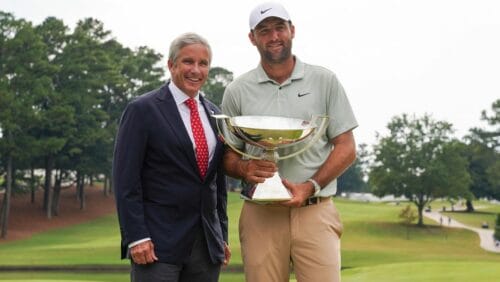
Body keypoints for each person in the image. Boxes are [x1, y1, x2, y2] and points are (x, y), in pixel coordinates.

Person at [221, 2, 357, 282]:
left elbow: (346, 146)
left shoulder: (324, 80)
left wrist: (311, 186)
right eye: (264, 31)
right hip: (260, 214)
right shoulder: (237, 90)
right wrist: (244, 169)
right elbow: (227, 155)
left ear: (292, 30)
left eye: (279, 28)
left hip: (315, 210)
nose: (274, 37)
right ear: (252, 38)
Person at [113, 32, 230, 282]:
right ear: (171, 65)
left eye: (203, 63)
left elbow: (217, 184)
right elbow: (126, 181)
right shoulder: (142, 110)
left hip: (206, 248)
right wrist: (136, 236)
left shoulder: (215, 114)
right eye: (188, 62)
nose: (195, 70)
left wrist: (221, 236)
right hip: (157, 245)